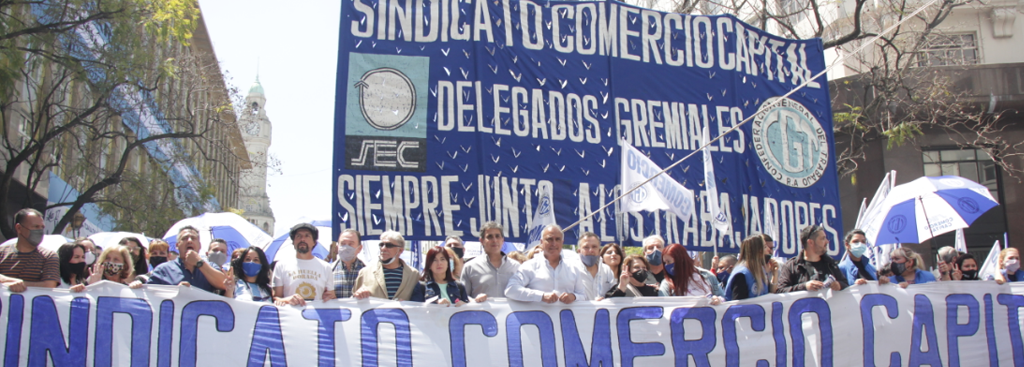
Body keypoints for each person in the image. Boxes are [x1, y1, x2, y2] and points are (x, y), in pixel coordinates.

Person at [505, 225, 588, 303]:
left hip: (566, 318)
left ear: (562, 242)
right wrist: (541, 296)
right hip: (537, 318)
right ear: (541, 242)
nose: (554, 243)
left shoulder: (573, 268)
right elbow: (511, 290)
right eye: (549, 239)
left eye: (557, 239)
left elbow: (583, 296)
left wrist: (574, 297)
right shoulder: (529, 266)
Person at [147, 226, 227, 293]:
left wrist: (199, 263)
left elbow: (224, 285)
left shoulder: (212, 266)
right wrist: (174, 291)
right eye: (185, 238)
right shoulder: (163, 270)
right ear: (177, 246)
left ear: (199, 245)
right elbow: (150, 294)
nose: (189, 241)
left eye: (193, 238)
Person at [272, 223, 335, 306]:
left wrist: (331, 297)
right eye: (298, 236)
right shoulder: (281, 266)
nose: (302, 239)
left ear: (314, 242)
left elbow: (331, 297)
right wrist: (287, 300)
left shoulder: (326, 267)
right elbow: (276, 298)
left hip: (316, 316)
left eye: (307, 236)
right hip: (291, 315)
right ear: (293, 242)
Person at [0, 208, 59, 291]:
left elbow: (49, 286)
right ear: (19, 228)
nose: (40, 231)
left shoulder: (49, 256)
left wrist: (19, 284)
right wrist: (8, 281)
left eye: (42, 227)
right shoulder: (2, 252)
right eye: (36, 227)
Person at [777, 226, 848, 293]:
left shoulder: (830, 264)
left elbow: (846, 285)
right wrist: (804, 286)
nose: (827, 242)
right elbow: (781, 290)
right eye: (823, 238)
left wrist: (839, 285)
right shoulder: (791, 266)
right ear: (810, 242)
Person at [353, 230, 421, 300]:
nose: (383, 248)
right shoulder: (365, 273)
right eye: (381, 245)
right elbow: (354, 300)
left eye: (389, 245)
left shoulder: (413, 275)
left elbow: (419, 301)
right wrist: (358, 294)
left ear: (400, 250)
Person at [659, 244, 724, 300]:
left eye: (669, 261)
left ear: (681, 260)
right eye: (665, 263)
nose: (666, 265)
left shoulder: (707, 276)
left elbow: (723, 299)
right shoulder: (666, 285)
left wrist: (718, 300)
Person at [724, 234, 779, 301]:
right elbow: (738, 304)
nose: (768, 250)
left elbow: (770, 294)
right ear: (758, 251)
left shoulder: (760, 269)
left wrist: (774, 274)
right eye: (765, 247)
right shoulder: (741, 274)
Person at [576, 232, 615, 300]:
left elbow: (614, 295)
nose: (591, 250)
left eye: (594, 247)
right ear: (579, 251)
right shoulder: (572, 270)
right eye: (586, 247)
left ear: (599, 250)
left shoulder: (606, 270)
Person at [331, 229, 366, 299]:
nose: (346, 247)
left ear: (359, 248)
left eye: (351, 244)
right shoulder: (329, 270)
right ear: (337, 247)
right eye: (343, 244)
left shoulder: (367, 272)